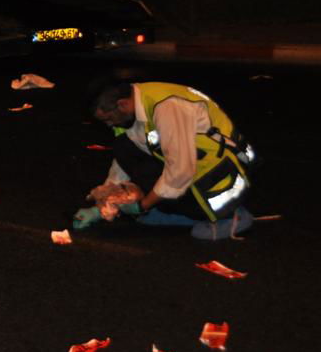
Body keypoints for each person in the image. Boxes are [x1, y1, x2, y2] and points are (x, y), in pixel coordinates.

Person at [74, 81, 257, 241]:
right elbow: (123, 161)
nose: (109, 125)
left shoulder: (167, 108)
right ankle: (175, 207)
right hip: (192, 161)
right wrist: (105, 202)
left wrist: (143, 206)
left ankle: (231, 215)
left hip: (220, 173)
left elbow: (180, 172)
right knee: (124, 147)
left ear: (121, 104)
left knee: (171, 191)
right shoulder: (135, 105)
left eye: (108, 119)